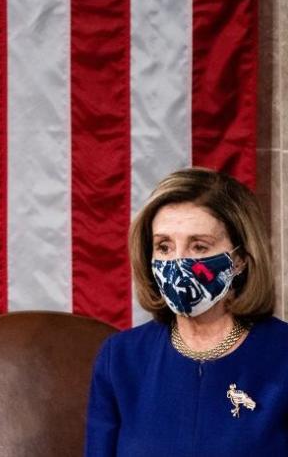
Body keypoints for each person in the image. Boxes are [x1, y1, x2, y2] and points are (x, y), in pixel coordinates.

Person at [85, 168, 288, 455]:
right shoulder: (120, 358)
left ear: (240, 259)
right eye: (164, 246)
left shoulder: (282, 355)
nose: (178, 262)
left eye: (199, 246)